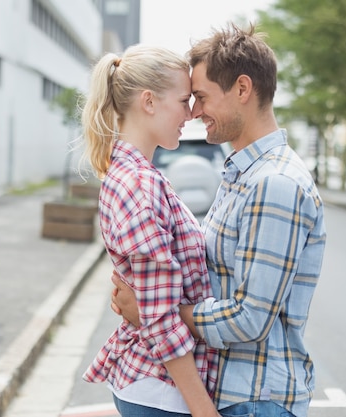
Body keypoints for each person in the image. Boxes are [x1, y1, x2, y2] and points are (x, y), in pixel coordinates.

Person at [112, 24, 327, 417]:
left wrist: (154, 314)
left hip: (255, 399)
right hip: (231, 393)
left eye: (201, 97)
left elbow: (250, 318)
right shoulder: (241, 175)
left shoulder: (274, 184)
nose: (194, 111)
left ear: (242, 89)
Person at [80, 44, 221, 417]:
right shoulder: (139, 184)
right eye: (184, 100)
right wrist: (203, 409)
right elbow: (159, 318)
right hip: (162, 391)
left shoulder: (136, 175)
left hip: (157, 386)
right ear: (148, 102)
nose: (191, 113)